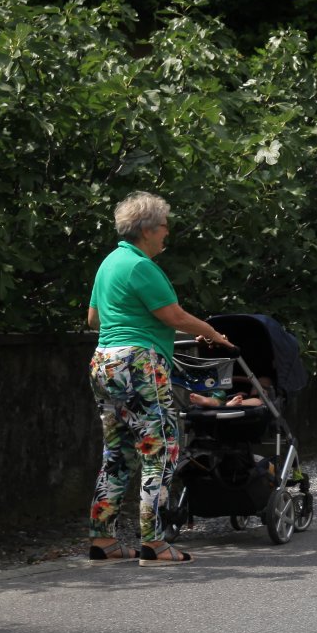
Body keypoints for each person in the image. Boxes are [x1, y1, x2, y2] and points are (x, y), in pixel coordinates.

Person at [86, 192, 234, 565]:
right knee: (161, 449)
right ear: (148, 229)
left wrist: (139, 325)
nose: (167, 232)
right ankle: (154, 542)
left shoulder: (109, 263)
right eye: (165, 226)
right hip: (139, 364)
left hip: (104, 363)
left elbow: (94, 319)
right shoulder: (141, 266)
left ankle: (103, 539)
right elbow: (174, 316)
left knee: (117, 453)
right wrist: (212, 334)